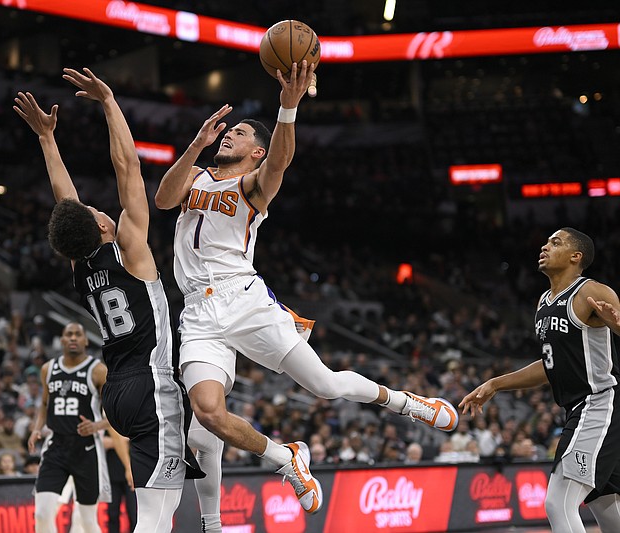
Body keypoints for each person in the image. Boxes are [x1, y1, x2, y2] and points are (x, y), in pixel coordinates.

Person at [154, 60, 459, 530]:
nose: (229, 135)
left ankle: (409, 404)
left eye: (239, 134)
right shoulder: (194, 175)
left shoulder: (253, 185)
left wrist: (288, 108)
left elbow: (279, 162)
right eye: (227, 132)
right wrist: (196, 143)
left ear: (255, 153)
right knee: (207, 416)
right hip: (197, 310)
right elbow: (162, 200)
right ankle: (282, 461)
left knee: (326, 385)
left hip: (243, 297)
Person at [14, 66, 204, 533]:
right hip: (150, 382)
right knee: (158, 515)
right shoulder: (131, 249)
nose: (104, 209)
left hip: (117, 391)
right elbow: (128, 167)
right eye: (100, 212)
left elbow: (66, 203)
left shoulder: (81, 265)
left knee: (163, 504)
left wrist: (47, 139)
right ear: (102, 227)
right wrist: (109, 102)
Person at [460, 228, 620, 533]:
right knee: (606, 504)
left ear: (577, 256)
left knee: (558, 502)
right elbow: (551, 366)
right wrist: (495, 383)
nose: (545, 247)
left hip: (600, 402)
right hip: (580, 408)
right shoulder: (544, 302)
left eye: (555, 243)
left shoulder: (593, 292)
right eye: (546, 243)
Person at [27, 322, 132, 533]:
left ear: (85, 340)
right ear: (62, 340)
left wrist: (96, 426)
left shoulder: (98, 371)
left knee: (86, 520)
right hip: (56, 446)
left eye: (78, 334)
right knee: (42, 514)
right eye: (69, 334)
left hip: (86, 450)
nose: (73, 338)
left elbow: (115, 414)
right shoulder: (48, 369)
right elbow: (45, 404)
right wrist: (37, 428)